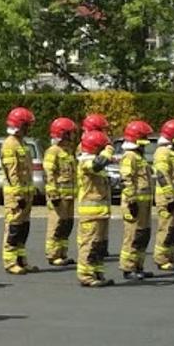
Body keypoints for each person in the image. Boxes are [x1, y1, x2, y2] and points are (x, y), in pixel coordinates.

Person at [75, 130, 115, 288]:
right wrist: (109, 150)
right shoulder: (85, 161)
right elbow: (98, 164)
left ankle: (97, 272)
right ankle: (86, 275)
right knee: (89, 244)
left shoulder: (92, 160)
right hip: (90, 213)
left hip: (100, 212)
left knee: (98, 245)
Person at [115, 122, 155, 280]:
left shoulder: (139, 156)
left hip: (144, 204)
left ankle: (138, 265)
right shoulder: (129, 156)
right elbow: (126, 179)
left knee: (142, 235)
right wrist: (131, 201)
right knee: (132, 236)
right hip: (134, 204)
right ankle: (128, 267)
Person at [1, 108, 38, 274]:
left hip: (26, 194)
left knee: (23, 228)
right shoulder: (10, 144)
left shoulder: (22, 143)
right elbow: (12, 173)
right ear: (19, 125)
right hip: (15, 197)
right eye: (26, 125)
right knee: (14, 228)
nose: (28, 128)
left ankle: (21, 260)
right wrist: (18, 195)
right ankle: (10, 262)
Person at [151, 120, 174, 272]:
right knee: (166, 229)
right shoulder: (162, 152)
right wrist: (169, 196)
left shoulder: (173, 152)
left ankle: (170, 257)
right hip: (168, 199)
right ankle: (161, 259)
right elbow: (162, 174)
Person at [42, 117, 78, 266]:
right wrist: (53, 194)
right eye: (70, 133)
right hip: (59, 196)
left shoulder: (68, 151)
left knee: (66, 225)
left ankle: (62, 253)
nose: (72, 136)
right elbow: (48, 173)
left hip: (68, 196)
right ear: (62, 134)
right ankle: (53, 254)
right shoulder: (53, 151)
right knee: (56, 225)